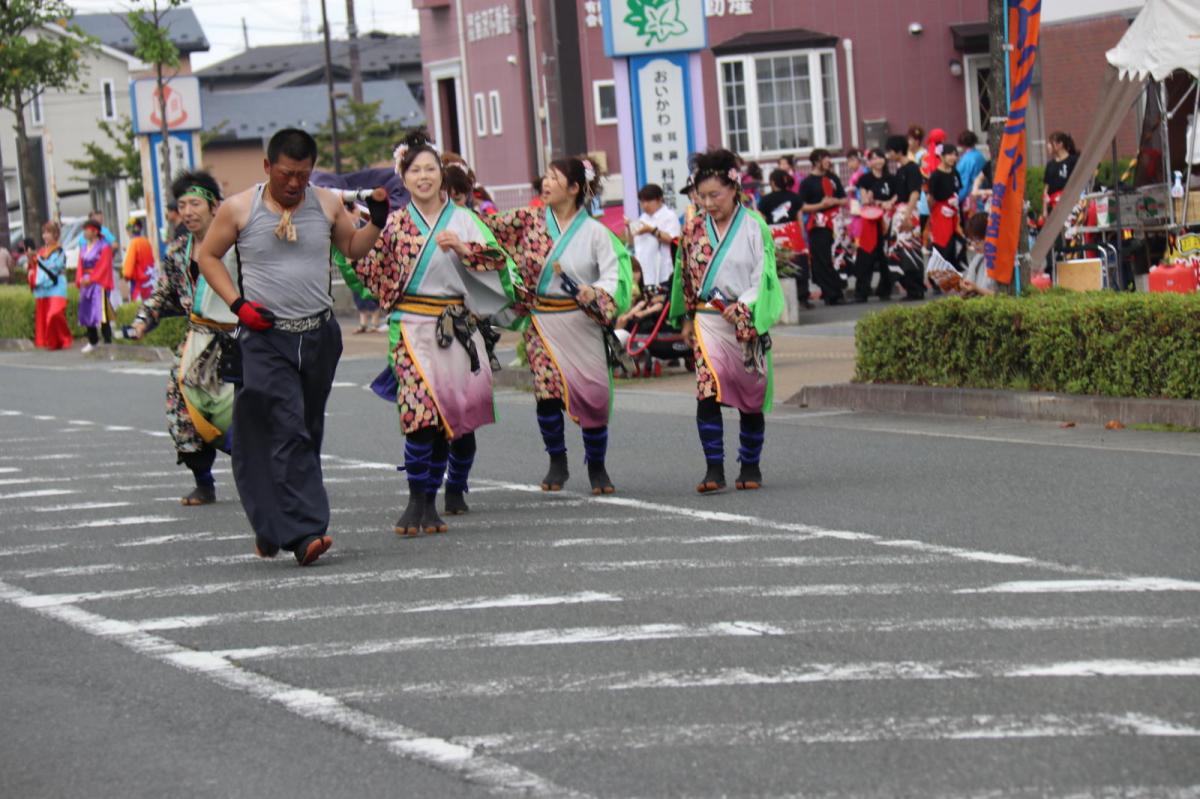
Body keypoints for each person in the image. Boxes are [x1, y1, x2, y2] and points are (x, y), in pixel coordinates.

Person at [195, 127, 390, 567]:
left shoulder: (325, 202)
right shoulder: (239, 209)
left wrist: (376, 221)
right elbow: (207, 257)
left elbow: (353, 248)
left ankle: (270, 526)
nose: (295, 183)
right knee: (288, 428)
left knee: (306, 430)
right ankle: (306, 533)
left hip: (319, 337)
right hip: (265, 338)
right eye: (286, 173)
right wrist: (238, 305)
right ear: (267, 167)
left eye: (303, 174)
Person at [352, 131, 517, 534]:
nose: (423, 176)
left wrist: (466, 250)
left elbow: (501, 266)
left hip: (455, 328)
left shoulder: (466, 220)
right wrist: (350, 232)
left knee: (448, 416)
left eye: (430, 169)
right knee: (418, 414)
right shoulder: (392, 226)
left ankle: (439, 495)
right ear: (403, 178)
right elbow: (366, 267)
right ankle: (417, 498)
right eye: (415, 170)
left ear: (441, 176)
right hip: (410, 328)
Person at [484, 156, 633, 495]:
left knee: (595, 396)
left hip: (582, 322)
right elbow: (485, 228)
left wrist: (593, 291)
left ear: (576, 188)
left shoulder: (596, 233)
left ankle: (597, 465)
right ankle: (557, 459)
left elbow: (613, 275)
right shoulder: (528, 219)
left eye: (554, 178)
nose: (546, 183)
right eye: (546, 177)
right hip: (543, 322)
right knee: (547, 393)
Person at [670, 148, 783, 494]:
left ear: (733, 188)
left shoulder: (754, 225)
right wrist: (687, 317)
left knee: (751, 394)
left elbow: (763, 275)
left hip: (744, 319)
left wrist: (746, 306)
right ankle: (714, 469)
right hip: (708, 320)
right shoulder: (692, 230)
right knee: (707, 391)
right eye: (701, 196)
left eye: (714, 194)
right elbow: (683, 276)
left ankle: (750, 465)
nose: (708, 202)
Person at [131, 171, 239, 506]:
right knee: (182, 410)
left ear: (214, 206)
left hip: (238, 339)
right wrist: (141, 321)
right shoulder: (178, 251)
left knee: (245, 411)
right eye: (182, 205)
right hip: (197, 342)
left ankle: (267, 471)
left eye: (195, 203)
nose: (189, 211)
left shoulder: (239, 246)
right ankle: (203, 482)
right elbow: (162, 294)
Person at [758, 168, 812, 309]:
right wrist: (802, 235)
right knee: (799, 264)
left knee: (778, 266)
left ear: (772, 182)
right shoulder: (794, 197)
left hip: (775, 233)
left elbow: (761, 221)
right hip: (792, 232)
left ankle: (777, 299)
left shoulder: (765, 200)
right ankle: (802, 297)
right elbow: (800, 219)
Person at [798, 148, 847, 305]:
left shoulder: (833, 178)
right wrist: (820, 205)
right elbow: (802, 206)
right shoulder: (807, 183)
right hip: (818, 223)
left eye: (829, 158)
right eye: (825, 158)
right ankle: (830, 292)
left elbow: (844, 199)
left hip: (836, 223)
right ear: (816, 161)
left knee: (836, 256)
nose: (829, 161)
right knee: (821, 258)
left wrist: (835, 202)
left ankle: (836, 291)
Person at [853, 148, 898, 302]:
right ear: (869, 162)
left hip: (887, 220)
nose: (878, 160)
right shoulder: (864, 179)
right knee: (865, 257)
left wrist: (890, 202)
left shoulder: (891, 178)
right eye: (874, 158)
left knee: (886, 256)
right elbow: (864, 199)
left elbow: (896, 196)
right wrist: (875, 200)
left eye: (880, 157)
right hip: (870, 222)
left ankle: (885, 290)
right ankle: (861, 292)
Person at [885, 135, 927, 300]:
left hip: (909, 212)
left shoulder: (912, 168)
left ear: (897, 151)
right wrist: (889, 203)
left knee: (910, 249)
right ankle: (910, 287)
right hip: (900, 211)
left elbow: (915, 193)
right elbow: (899, 193)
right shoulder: (901, 170)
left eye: (890, 151)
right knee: (900, 250)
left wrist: (908, 215)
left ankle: (916, 288)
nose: (888, 155)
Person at [28, 222, 73, 350]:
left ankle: (64, 338)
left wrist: (37, 260)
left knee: (55, 313)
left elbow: (56, 266)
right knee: (46, 316)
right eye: (44, 233)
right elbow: (35, 268)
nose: (45, 235)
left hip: (57, 286)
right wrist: (32, 260)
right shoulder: (41, 251)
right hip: (44, 288)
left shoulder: (59, 251)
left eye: (48, 232)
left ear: (55, 234)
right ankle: (53, 342)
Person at [628, 183, 681, 291]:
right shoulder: (643, 218)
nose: (645, 205)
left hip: (664, 273)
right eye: (642, 202)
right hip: (644, 274)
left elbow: (673, 241)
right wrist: (629, 228)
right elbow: (633, 244)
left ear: (659, 199)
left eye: (648, 201)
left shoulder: (669, 216)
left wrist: (651, 230)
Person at [76, 219, 114, 351]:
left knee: (101, 311)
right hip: (86, 282)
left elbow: (104, 266)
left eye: (87, 230)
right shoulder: (84, 247)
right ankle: (93, 340)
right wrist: (80, 279)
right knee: (86, 311)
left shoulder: (104, 246)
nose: (85, 233)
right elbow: (80, 264)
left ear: (95, 231)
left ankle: (107, 339)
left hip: (99, 283)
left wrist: (92, 278)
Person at [928, 145, 964, 267]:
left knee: (957, 243)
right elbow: (931, 199)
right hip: (941, 213)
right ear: (941, 156)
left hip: (955, 212)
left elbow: (958, 190)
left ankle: (955, 274)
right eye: (949, 154)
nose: (953, 157)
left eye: (955, 154)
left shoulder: (955, 172)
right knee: (942, 244)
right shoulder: (935, 176)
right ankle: (938, 276)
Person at [958, 212, 997, 298]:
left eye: (977, 240)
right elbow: (969, 283)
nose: (974, 244)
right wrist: (964, 289)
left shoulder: (1000, 261)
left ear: (989, 237)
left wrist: (977, 289)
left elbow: (1002, 296)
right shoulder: (978, 259)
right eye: (971, 240)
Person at [1044, 131, 1079, 217]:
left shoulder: (1073, 160)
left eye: (1051, 142)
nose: (1048, 146)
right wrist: (1044, 210)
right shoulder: (1050, 165)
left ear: (1060, 144)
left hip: (1068, 205)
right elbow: (1046, 187)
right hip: (1052, 206)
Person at [123, 220, 156, 302]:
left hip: (137, 280)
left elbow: (129, 263)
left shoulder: (133, 243)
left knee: (137, 304)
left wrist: (126, 275)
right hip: (148, 277)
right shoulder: (146, 241)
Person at [955, 131, 986, 214]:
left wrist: (957, 198)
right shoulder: (980, 156)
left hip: (970, 196)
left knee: (971, 223)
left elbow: (963, 181)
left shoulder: (966, 159)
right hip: (981, 193)